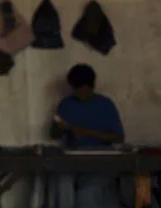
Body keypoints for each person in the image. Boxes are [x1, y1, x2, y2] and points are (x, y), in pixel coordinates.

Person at [48, 64, 124, 208]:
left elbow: (119, 138)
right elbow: (53, 134)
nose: (82, 94)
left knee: (87, 192)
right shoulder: (66, 105)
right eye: (78, 90)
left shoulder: (105, 105)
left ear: (92, 86)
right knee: (61, 184)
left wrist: (87, 132)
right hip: (73, 160)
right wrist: (59, 128)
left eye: (85, 90)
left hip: (101, 161)